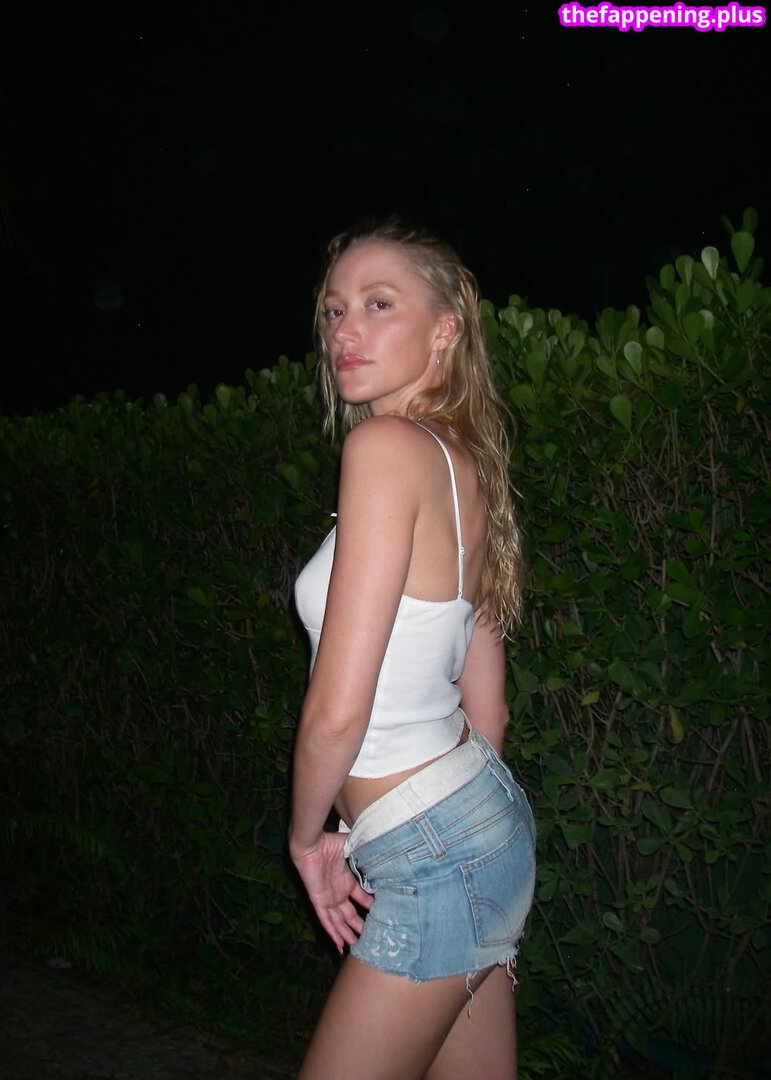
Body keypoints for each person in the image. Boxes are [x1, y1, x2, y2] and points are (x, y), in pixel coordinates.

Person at [290, 218, 536, 1079]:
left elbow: (337, 711)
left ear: (444, 330)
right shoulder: (465, 464)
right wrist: (425, 827)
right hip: (478, 823)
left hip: (434, 849)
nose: (344, 330)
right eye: (333, 310)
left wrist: (309, 838)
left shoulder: (383, 449)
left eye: (378, 304)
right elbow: (489, 712)